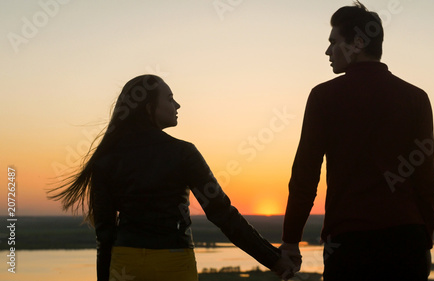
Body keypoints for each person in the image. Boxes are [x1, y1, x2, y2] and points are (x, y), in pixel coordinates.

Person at [47, 74, 295, 281]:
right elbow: (222, 213)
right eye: (169, 98)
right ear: (148, 108)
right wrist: (274, 260)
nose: (177, 105)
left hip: (125, 264)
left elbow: (105, 234)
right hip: (173, 263)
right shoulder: (183, 152)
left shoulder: (107, 157)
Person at [279, 1, 434, 280]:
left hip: (350, 244)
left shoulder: (324, 97)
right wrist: (425, 239)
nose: (327, 51)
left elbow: (305, 177)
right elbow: (427, 182)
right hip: (407, 242)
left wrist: (291, 240)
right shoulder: (415, 97)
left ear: (357, 42)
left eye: (333, 41)